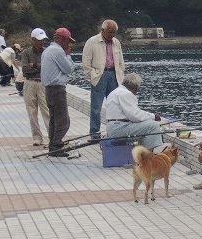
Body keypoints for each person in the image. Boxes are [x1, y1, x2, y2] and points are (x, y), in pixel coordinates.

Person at [81, 20, 125, 140]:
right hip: (99, 75)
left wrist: (121, 72)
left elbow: (121, 61)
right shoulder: (92, 41)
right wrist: (92, 75)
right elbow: (86, 62)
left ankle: (115, 132)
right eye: (110, 32)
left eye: (114, 32)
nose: (112, 35)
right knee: (96, 107)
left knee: (115, 106)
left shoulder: (116, 42)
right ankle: (94, 133)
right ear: (103, 30)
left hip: (114, 75)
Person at [104, 72, 164, 150]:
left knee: (146, 125)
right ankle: (150, 155)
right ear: (134, 87)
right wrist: (153, 116)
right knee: (153, 126)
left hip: (112, 127)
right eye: (137, 88)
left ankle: (144, 152)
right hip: (119, 128)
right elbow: (134, 116)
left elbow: (131, 114)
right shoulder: (125, 94)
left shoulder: (115, 92)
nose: (137, 91)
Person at [41, 27, 76, 157]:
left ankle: (53, 146)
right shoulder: (57, 51)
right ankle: (56, 145)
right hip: (57, 89)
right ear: (60, 39)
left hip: (49, 89)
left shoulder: (48, 50)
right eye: (67, 41)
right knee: (63, 121)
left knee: (54, 120)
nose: (68, 44)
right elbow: (68, 68)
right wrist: (68, 54)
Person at [22, 29, 51, 148]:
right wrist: (37, 67)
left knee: (46, 110)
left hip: (42, 82)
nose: (42, 42)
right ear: (33, 40)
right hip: (29, 83)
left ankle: (52, 135)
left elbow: (47, 67)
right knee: (32, 111)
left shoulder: (46, 52)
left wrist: (34, 65)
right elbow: (25, 69)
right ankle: (37, 137)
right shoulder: (26, 53)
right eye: (39, 40)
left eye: (43, 40)